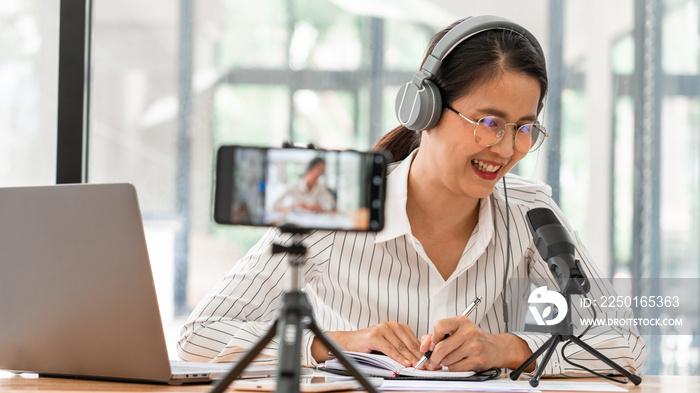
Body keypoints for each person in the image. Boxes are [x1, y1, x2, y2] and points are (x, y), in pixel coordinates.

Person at [178, 16, 645, 377]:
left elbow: (625, 341)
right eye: (489, 123)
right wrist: (339, 342)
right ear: (426, 110)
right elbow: (199, 337)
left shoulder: (529, 213)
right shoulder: (335, 200)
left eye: (524, 129)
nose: (505, 149)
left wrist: (506, 348)